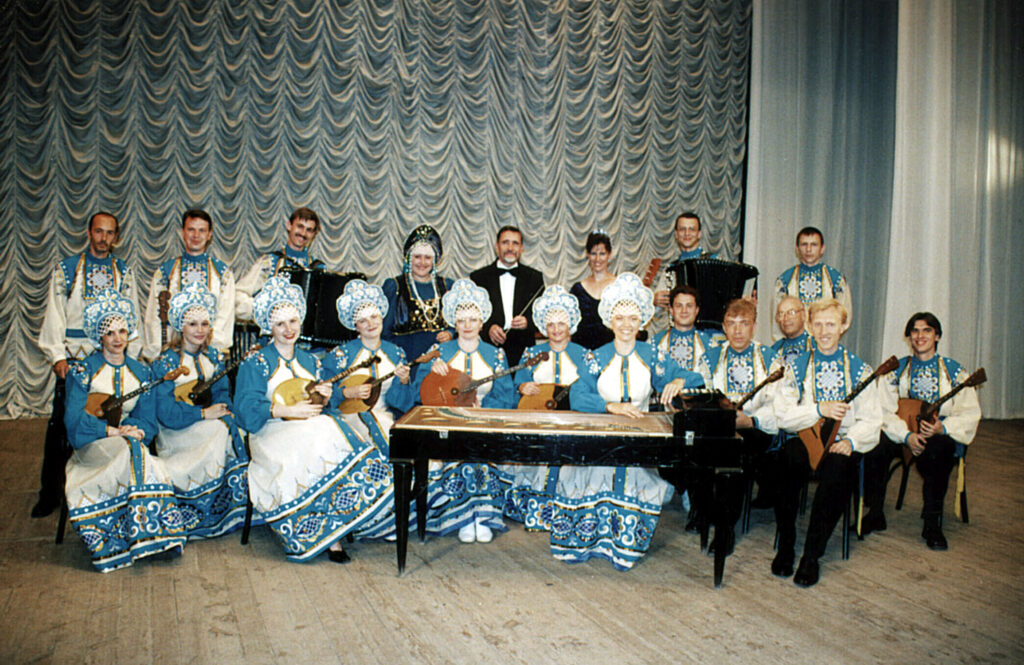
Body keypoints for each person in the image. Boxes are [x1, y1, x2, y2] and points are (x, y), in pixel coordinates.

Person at [234, 276, 394, 563]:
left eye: (293, 321)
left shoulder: (311, 361)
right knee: (322, 433)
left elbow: (325, 404)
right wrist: (285, 411)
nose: (288, 330)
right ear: (269, 326)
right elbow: (245, 410)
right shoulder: (256, 362)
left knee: (329, 428)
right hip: (270, 432)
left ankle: (336, 524)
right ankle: (320, 532)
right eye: (280, 324)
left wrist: (326, 395)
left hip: (309, 429)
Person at [564, 273, 704, 570]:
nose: (626, 325)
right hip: (601, 435)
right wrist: (609, 406)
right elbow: (577, 395)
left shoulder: (652, 355)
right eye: (620, 318)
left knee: (632, 481)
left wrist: (678, 380)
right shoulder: (596, 357)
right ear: (609, 321)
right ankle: (593, 542)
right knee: (593, 478)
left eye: (633, 318)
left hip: (639, 439)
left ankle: (624, 547)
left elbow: (696, 377)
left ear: (642, 321)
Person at [63, 289, 187, 572]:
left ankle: (152, 535)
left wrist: (135, 429)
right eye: (109, 333)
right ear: (99, 337)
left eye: (122, 331)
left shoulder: (141, 373)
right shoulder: (83, 371)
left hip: (128, 441)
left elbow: (148, 420)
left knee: (135, 449)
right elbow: (73, 421)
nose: (117, 338)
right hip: (93, 444)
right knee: (136, 453)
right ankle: (126, 538)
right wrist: (112, 432)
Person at [33, 212, 142, 519]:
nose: (103, 238)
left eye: (109, 233)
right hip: (76, 361)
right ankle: (50, 493)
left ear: (116, 237)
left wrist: (130, 357)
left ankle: (106, 485)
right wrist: (58, 356)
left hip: (110, 360)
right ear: (89, 233)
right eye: (98, 231)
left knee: (111, 419)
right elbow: (55, 313)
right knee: (61, 425)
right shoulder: (67, 270)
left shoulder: (123, 272)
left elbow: (131, 317)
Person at [771, 299, 882, 588]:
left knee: (837, 470)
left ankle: (811, 555)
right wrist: (819, 409)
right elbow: (783, 415)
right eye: (818, 324)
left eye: (831, 324)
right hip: (806, 437)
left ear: (844, 326)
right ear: (809, 326)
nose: (824, 331)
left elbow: (872, 419)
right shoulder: (797, 367)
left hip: (841, 442)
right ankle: (786, 544)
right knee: (786, 460)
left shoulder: (859, 369)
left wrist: (852, 441)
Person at [863, 312, 981, 550]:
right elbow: (883, 411)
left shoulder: (954, 372)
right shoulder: (896, 370)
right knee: (875, 445)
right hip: (902, 430)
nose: (920, 336)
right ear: (909, 337)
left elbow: (970, 412)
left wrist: (942, 427)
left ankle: (932, 522)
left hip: (937, 434)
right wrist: (906, 436)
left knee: (938, 452)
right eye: (915, 331)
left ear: (937, 336)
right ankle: (875, 513)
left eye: (927, 330)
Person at [413, 278, 516, 544]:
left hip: (484, 419)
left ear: (482, 323)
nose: (467, 325)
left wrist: (485, 409)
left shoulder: (496, 355)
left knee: (479, 444)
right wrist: (431, 375)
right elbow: (417, 392)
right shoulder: (439, 352)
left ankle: (482, 515)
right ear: (454, 323)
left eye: (473, 320)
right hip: (446, 421)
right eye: (461, 320)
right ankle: (462, 516)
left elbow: (507, 396)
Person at [151, 283, 249, 539]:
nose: (199, 330)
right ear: (180, 327)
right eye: (192, 324)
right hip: (175, 430)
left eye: (205, 324)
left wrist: (223, 408)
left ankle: (226, 508)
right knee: (220, 429)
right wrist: (203, 414)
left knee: (229, 426)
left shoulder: (214, 358)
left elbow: (222, 393)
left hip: (206, 422)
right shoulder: (166, 362)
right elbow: (166, 414)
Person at [324, 279, 416, 540]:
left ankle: (390, 520)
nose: (371, 324)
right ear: (355, 325)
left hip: (385, 417)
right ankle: (365, 521)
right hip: (348, 419)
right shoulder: (341, 355)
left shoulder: (395, 353)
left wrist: (404, 381)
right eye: (363, 320)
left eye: (374, 317)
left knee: (401, 447)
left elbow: (403, 402)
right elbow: (322, 395)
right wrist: (346, 393)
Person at [698, 299, 780, 553]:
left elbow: (779, 404)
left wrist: (751, 420)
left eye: (744, 324)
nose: (737, 330)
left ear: (754, 327)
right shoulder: (710, 358)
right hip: (719, 428)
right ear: (723, 327)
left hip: (756, 428)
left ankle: (725, 528)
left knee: (735, 452)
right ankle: (709, 512)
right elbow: (704, 397)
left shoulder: (769, 359)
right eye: (731, 324)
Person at [504, 285, 589, 529]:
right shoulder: (532, 352)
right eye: (550, 324)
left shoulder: (584, 354)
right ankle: (538, 512)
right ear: (543, 326)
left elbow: (591, 389)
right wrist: (523, 387)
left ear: (571, 324)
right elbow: (517, 383)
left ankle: (566, 513)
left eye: (561, 323)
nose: (556, 329)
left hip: (573, 424)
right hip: (538, 421)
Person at [142, 209, 236, 360]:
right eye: (191, 229)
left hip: (209, 354)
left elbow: (225, 315)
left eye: (202, 230)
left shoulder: (222, 273)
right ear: (182, 233)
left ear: (209, 235)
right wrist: (159, 352)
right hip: (173, 354)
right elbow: (154, 317)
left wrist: (213, 349)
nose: (196, 236)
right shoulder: (166, 272)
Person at [469, 225, 545, 366]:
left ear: (521, 248)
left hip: (523, 351)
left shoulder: (535, 278)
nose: (510, 248)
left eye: (515, 243)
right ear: (496, 247)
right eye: (505, 243)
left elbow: (543, 316)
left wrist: (528, 322)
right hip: (489, 348)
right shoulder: (478, 278)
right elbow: (471, 315)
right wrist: (489, 328)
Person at [235, 207, 325, 321]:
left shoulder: (319, 268)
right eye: (300, 226)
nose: (303, 233)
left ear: (314, 234)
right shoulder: (269, 262)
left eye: (309, 230)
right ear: (289, 226)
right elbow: (238, 293)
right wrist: (263, 310)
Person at [382, 225, 454, 360]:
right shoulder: (394, 287)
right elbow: (384, 332)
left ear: (435, 260)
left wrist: (451, 333)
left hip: (441, 360)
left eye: (428, 257)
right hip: (405, 359)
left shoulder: (447, 286)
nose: (422, 262)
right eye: (417, 257)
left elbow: (460, 323)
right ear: (409, 258)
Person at [771, 227, 852, 340]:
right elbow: (778, 318)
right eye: (804, 244)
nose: (808, 249)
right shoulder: (785, 280)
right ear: (797, 249)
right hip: (794, 344)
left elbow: (845, 317)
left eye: (814, 245)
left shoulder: (836, 280)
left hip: (824, 343)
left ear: (822, 249)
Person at [653, 212, 716, 310]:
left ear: (699, 234)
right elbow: (657, 310)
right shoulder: (671, 269)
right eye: (682, 229)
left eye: (692, 229)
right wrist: (654, 300)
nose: (687, 233)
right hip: (679, 320)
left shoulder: (713, 261)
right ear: (676, 234)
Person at [652, 284, 715, 381]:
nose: (684, 311)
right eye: (679, 306)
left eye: (689, 306)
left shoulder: (710, 345)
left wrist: (684, 381)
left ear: (696, 310)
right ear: (671, 310)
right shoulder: (655, 343)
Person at [569, 231, 616, 350]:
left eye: (602, 254)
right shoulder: (577, 289)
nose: (597, 259)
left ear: (609, 255)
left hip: (611, 353)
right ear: (588, 255)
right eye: (593, 253)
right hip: (582, 353)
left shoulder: (619, 286)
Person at [770, 295, 813, 367]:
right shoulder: (775, 350)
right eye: (781, 314)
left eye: (791, 312)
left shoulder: (815, 346)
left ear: (803, 315)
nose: (786, 318)